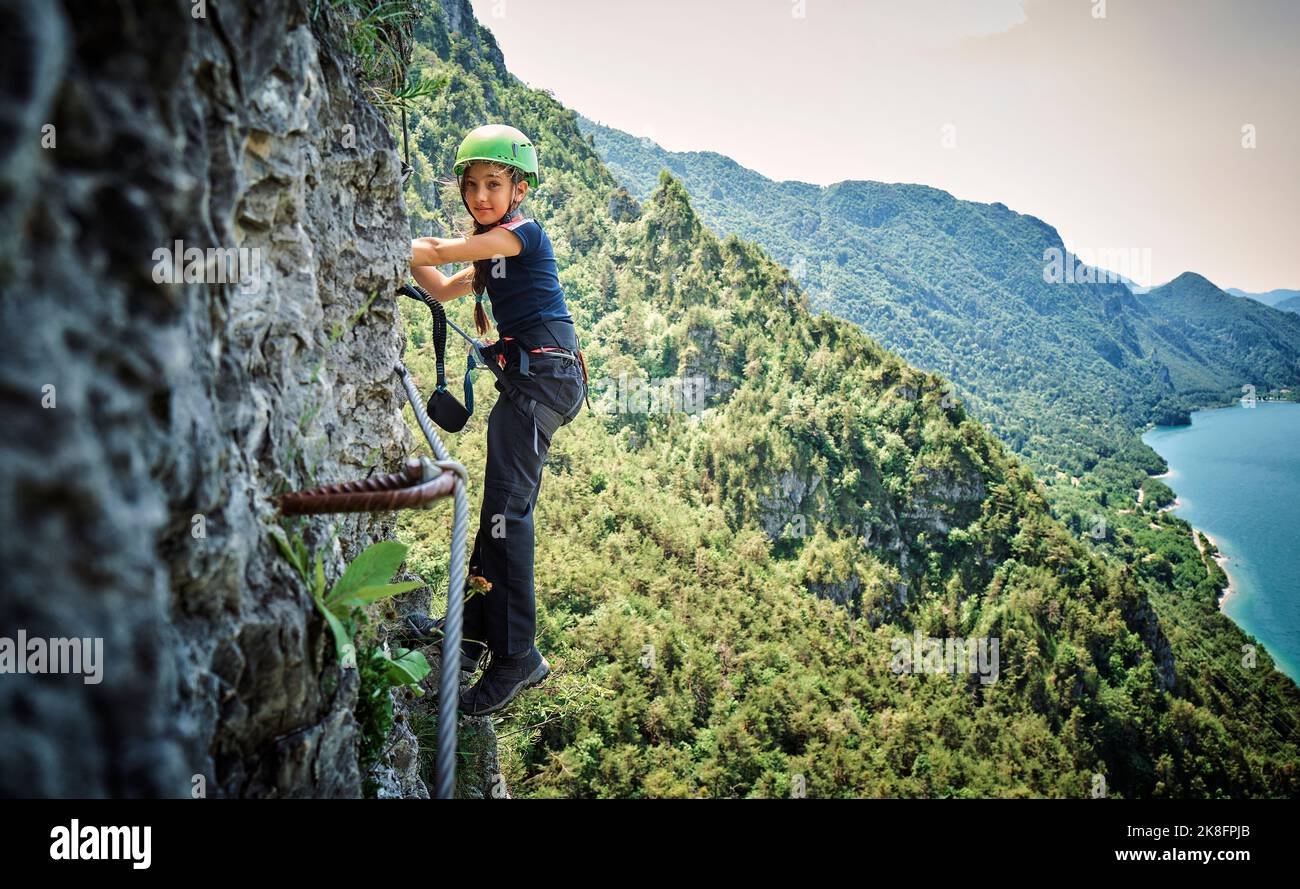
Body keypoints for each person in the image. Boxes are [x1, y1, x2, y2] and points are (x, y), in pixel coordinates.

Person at [406, 124, 589, 716]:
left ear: (519, 191)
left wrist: (368, 235)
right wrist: (399, 258)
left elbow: (434, 253)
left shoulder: (520, 237)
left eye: (495, 184)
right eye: (472, 185)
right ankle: (480, 629)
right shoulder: (493, 254)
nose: (482, 197)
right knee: (497, 512)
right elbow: (435, 280)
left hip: (543, 382)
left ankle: (518, 658)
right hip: (529, 384)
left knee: (509, 512)